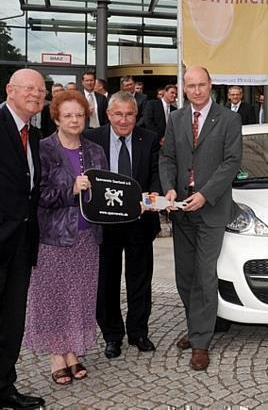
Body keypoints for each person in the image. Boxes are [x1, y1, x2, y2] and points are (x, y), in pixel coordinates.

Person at [159, 66, 242, 371]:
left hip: (211, 208)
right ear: (184, 88)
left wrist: (205, 194)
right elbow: (167, 158)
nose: (196, 90)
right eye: (190, 86)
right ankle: (198, 326)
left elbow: (232, 162)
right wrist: (168, 189)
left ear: (211, 85)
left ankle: (201, 342)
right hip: (181, 209)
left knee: (205, 275)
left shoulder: (229, 119)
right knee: (185, 277)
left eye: (200, 85)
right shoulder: (177, 118)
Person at [24, 90, 107, 386]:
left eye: (79, 115)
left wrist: (122, 204)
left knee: (80, 298)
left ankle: (73, 351)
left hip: (88, 238)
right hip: (53, 239)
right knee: (52, 299)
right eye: (68, 115)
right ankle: (57, 356)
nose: (74, 120)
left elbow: (105, 192)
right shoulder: (43, 149)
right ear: (56, 118)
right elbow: (38, 195)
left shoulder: (95, 150)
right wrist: (70, 189)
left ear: (87, 117)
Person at [85, 91, 161, 359]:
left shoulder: (149, 139)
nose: (124, 120)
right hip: (104, 225)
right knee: (106, 281)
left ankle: (139, 332)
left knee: (140, 279)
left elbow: (155, 175)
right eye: (118, 114)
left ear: (136, 115)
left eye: (129, 114)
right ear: (108, 114)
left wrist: (150, 199)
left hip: (140, 221)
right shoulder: (91, 139)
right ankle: (112, 335)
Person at [0, 69, 46, 410]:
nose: (36, 94)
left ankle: (4, 388)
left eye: (41, 89)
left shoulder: (35, 134)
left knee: (11, 322)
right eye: (29, 88)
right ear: (10, 90)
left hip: (20, 246)